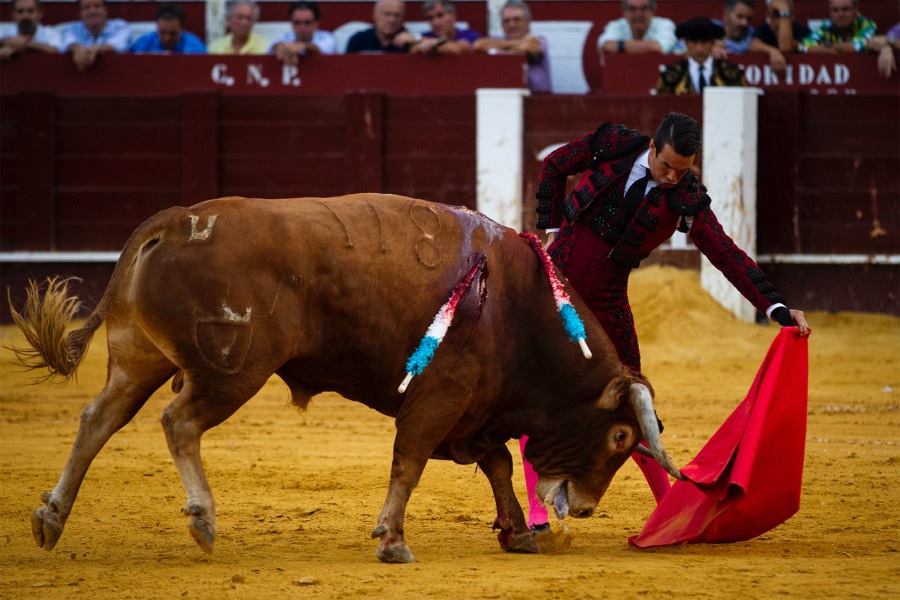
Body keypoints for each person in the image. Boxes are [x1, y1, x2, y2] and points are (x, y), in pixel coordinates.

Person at [521, 112, 810, 531]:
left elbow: (727, 254)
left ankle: (669, 508)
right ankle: (537, 516)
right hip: (554, 285)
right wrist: (549, 229)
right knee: (534, 394)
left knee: (634, 405)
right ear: (653, 147)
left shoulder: (685, 200)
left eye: (683, 170)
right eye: (667, 165)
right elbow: (554, 165)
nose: (673, 177)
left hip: (606, 299)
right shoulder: (614, 145)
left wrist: (777, 308)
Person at [473, 0, 551, 92]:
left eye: (517, 19)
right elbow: (478, 45)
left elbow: (526, 47)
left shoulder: (539, 40)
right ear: (502, 25)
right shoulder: (497, 39)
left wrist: (500, 50)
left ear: (528, 23)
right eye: (506, 21)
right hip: (502, 95)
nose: (512, 25)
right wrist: (513, 45)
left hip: (536, 97)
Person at [656, 17, 746, 95]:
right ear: (686, 43)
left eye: (704, 42)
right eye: (694, 42)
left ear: (712, 43)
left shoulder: (732, 72)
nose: (699, 48)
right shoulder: (670, 74)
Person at [57, 0, 132, 71]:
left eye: (97, 6)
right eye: (86, 7)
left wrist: (97, 49)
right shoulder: (72, 28)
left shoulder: (120, 27)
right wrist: (76, 49)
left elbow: (119, 44)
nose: (92, 11)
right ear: (79, 13)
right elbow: (68, 42)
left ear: (106, 10)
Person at [749, 0, 810, 73]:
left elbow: (785, 47)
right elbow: (753, 45)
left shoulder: (802, 32)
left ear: (792, 16)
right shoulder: (765, 29)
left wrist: (784, 10)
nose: (777, 23)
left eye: (781, 16)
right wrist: (772, 51)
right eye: (773, 16)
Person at [597, 0, 677, 55]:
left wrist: (620, 46)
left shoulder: (664, 24)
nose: (638, 14)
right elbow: (606, 47)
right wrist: (649, 47)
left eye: (644, 8)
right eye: (632, 9)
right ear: (624, 12)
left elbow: (660, 48)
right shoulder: (615, 26)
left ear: (653, 11)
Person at [270, 1, 337, 65]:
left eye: (307, 22)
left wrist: (302, 46)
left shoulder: (328, 38)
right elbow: (272, 47)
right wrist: (280, 48)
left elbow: (321, 49)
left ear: (317, 23)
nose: (302, 27)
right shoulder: (284, 37)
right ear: (292, 23)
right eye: (297, 23)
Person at [799, 0, 876, 53]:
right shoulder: (826, 25)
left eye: (845, 9)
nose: (840, 15)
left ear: (856, 9)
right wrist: (832, 49)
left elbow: (855, 47)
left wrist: (825, 47)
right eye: (835, 10)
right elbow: (803, 45)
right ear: (830, 12)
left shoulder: (867, 24)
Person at [129, 3, 206, 54]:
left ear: (182, 28)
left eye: (172, 33)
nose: (167, 38)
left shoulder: (195, 46)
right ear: (157, 26)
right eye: (162, 32)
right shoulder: (143, 44)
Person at [345, 0, 419, 53]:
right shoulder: (358, 40)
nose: (391, 20)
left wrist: (416, 41)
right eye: (387, 14)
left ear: (402, 19)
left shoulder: (408, 42)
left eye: (397, 15)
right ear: (375, 15)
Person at [410, 0, 479, 55]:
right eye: (430, 18)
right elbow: (413, 49)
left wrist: (434, 44)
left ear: (453, 16)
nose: (436, 23)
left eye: (440, 15)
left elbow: (457, 49)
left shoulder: (471, 35)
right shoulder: (425, 36)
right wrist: (420, 45)